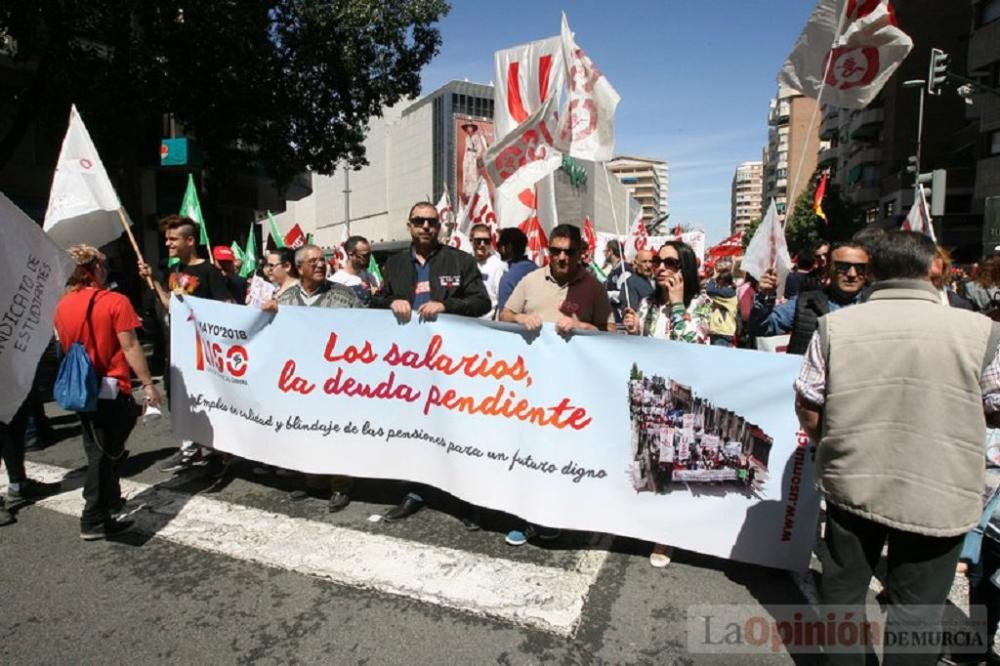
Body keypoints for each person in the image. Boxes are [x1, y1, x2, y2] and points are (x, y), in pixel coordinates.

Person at [794, 230, 1000, 665]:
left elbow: (809, 401)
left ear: (874, 273)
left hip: (853, 482)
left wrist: (831, 444)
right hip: (941, 490)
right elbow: (996, 406)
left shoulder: (836, 327)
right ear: (934, 270)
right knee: (917, 611)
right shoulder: (983, 332)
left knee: (844, 593)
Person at [372, 201, 491, 523]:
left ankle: (465, 498)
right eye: (419, 221)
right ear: (409, 225)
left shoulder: (460, 260)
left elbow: (482, 302)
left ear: (440, 227)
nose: (426, 226)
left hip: (452, 364)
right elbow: (376, 299)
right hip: (410, 365)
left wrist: (446, 305)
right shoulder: (394, 263)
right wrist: (390, 302)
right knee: (415, 428)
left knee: (456, 429)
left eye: (432, 222)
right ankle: (416, 492)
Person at [500, 223, 614, 546]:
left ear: (581, 253)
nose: (562, 257)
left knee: (562, 455)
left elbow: (611, 335)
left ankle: (555, 514)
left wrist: (584, 326)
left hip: (572, 392)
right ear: (547, 251)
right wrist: (520, 319)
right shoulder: (531, 280)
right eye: (556, 250)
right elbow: (503, 314)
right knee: (527, 450)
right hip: (530, 387)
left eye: (569, 251)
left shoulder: (593, 287)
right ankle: (524, 517)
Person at [54, 245, 163, 539]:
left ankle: (111, 500)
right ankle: (93, 517)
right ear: (93, 270)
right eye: (103, 264)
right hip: (111, 387)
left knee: (96, 446)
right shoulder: (114, 301)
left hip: (82, 388)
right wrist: (149, 384)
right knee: (104, 454)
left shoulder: (62, 304)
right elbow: (130, 346)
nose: (106, 269)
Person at [623, 240, 711, 566]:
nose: (661, 267)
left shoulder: (700, 303)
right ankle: (646, 523)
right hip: (648, 392)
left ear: (685, 267)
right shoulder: (646, 303)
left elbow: (694, 345)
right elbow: (643, 347)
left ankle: (666, 538)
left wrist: (676, 305)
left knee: (672, 466)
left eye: (671, 263)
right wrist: (633, 329)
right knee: (646, 461)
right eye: (659, 261)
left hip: (681, 397)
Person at [262, 245, 364, 512]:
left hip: (335, 381)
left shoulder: (344, 296)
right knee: (304, 430)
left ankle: (340, 485)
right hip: (299, 382)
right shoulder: (284, 300)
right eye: (313, 261)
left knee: (335, 432)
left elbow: (366, 331)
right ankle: (311, 479)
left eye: (323, 260)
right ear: (299, 268)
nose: (321, 265)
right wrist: (268, 314)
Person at [139, 215, 231, 474]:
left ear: (190, 241)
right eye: (166, 239)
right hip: (177, 351)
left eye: (173, 239)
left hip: (203, 353)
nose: (167, 243)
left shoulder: (209, 271)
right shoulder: (174, 271)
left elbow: (226, 308)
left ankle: (214, 452)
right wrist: (154, 281)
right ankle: (190, 449)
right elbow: (171, 305)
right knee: (180, 399)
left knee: (207, 400)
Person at [748, 241, 870, 354]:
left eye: (860, 268)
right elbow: (761, 328)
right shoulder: (805, 303)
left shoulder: (879, 304)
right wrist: (765, 296)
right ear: (828, 268)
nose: (852, 274)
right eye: (843, 267)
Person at [496, 227, 537, 314]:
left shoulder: (508, 279)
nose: (497, 250)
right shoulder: (538, 270)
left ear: (508, 247)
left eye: (499, 245)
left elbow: (505, 317)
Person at [470, 223, 505, 319]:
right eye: (478, 241)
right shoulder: (465, 262)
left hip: (486, 323)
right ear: (471, 241)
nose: (482, 245)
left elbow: (500, 299)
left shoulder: (498, 265)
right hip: (466, 321)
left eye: (486, 241)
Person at [330, 236, 377, 306]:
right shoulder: (336, 280)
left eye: (369, 254)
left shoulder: (371, 276)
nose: (368, 258)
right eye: (364, 255)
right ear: (351, 254)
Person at [706, 260, 738, 347]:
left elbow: (709, 290)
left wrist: (713, 277)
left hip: (722, 332)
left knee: (718, 359)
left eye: (718, 281)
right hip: (720, 331)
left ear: (724, 281)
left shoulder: (728, 293)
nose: (717, 284)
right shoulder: (729, 291)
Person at [460, 122, 488, 206]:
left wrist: (477, 156)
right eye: (468, 127)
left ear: (472, 128)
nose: (469, 129)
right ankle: (468, 194)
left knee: (473, 175)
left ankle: (473, 193)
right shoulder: (466, 138)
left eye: (470, 127)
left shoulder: (476, 137)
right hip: (467, 157)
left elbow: (480, 148)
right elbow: (465, 149)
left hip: (473, 157)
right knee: (466, 176)